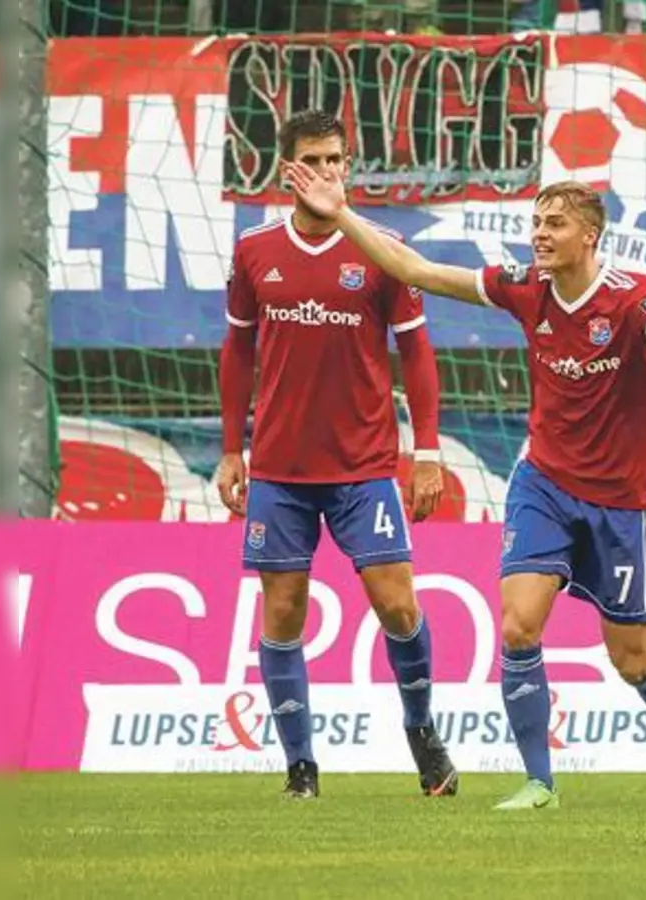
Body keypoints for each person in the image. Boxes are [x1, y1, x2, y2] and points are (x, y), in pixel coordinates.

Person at [281, 159, 646, 811]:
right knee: (518, 626)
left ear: (590, 236)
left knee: (633, 659)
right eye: (536, 222)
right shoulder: (523, 287)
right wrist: (340, 211)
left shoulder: (629, 295)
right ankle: (540, 782)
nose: (540, 234)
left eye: (555, 224)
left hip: (622, 499)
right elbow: (417, 272)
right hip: (543, 481)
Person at [216, 110, 458, 801]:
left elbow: (415, 352)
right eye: (314, 161)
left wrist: (428, 450)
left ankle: (420, 729)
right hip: (281, 471)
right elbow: (237, 351)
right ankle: (301, 768)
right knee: (284, 610)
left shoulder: (382, 249)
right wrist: (232, 450)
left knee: (399, 607)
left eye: (336, 160)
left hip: (364, 467)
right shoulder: (255, 251)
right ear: (285, 169)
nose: (328, 172)